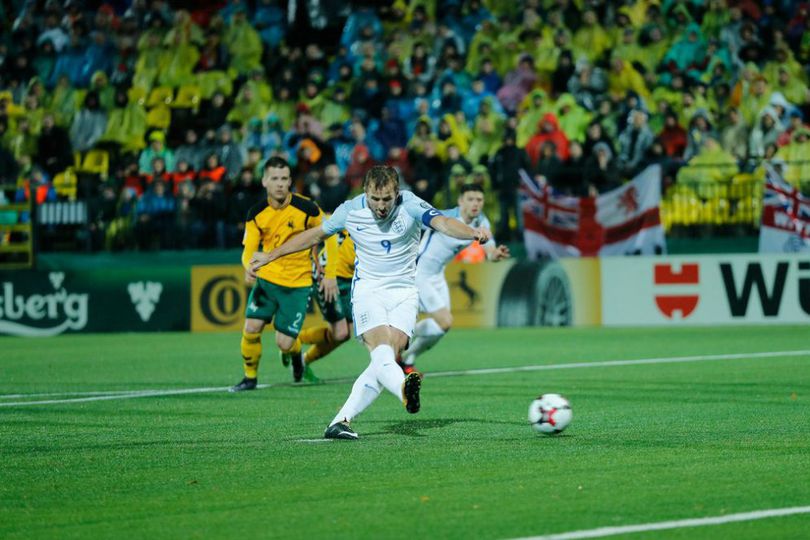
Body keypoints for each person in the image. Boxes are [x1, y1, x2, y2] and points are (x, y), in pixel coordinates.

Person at [249, 166, 490, 440]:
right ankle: (403, 390)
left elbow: (444, 223)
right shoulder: (351, 210)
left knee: (386, 357)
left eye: (387, 199)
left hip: (405, 293)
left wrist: (470, 232)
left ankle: (340, 421)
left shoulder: (410, 204)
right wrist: (271, 255)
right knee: (382, 351)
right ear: (366, 192)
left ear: (396, 193)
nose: (381, 206)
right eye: (375, 199)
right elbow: (314, 236)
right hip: (368, 290)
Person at [230, 156, 334, 392]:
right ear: (264, 181)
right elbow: (248, 251)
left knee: (284, 343)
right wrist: (249, 267)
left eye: (284, 178)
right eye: (274, 178)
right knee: (251, 327)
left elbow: (331, 232)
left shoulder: (307, 208)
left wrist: (330, 272)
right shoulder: (256, 213)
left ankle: (296, 354)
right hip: (268, 280)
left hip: (298, 284)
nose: (280, 183)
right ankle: (249, 378)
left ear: (290, 182)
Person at [400, 184, 509, 374]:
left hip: (437, 275)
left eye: (479, 200)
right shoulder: (446, 217)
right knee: (444, 321)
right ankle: (398, 340)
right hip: (419, 273)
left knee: (442, 327)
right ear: (460, 201)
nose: (475, 204)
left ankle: (406, 356)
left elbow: (489, 251)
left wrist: (495, 254)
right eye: (470, 199)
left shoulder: (482, 222)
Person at [296, 229, 356, 382]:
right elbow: (315, 235)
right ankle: (292, 340)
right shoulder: (348, 216)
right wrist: (316, 264)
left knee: (344, 333)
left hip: (349, 281)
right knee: (340, 333)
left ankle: (303, 361)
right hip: (329, 279)